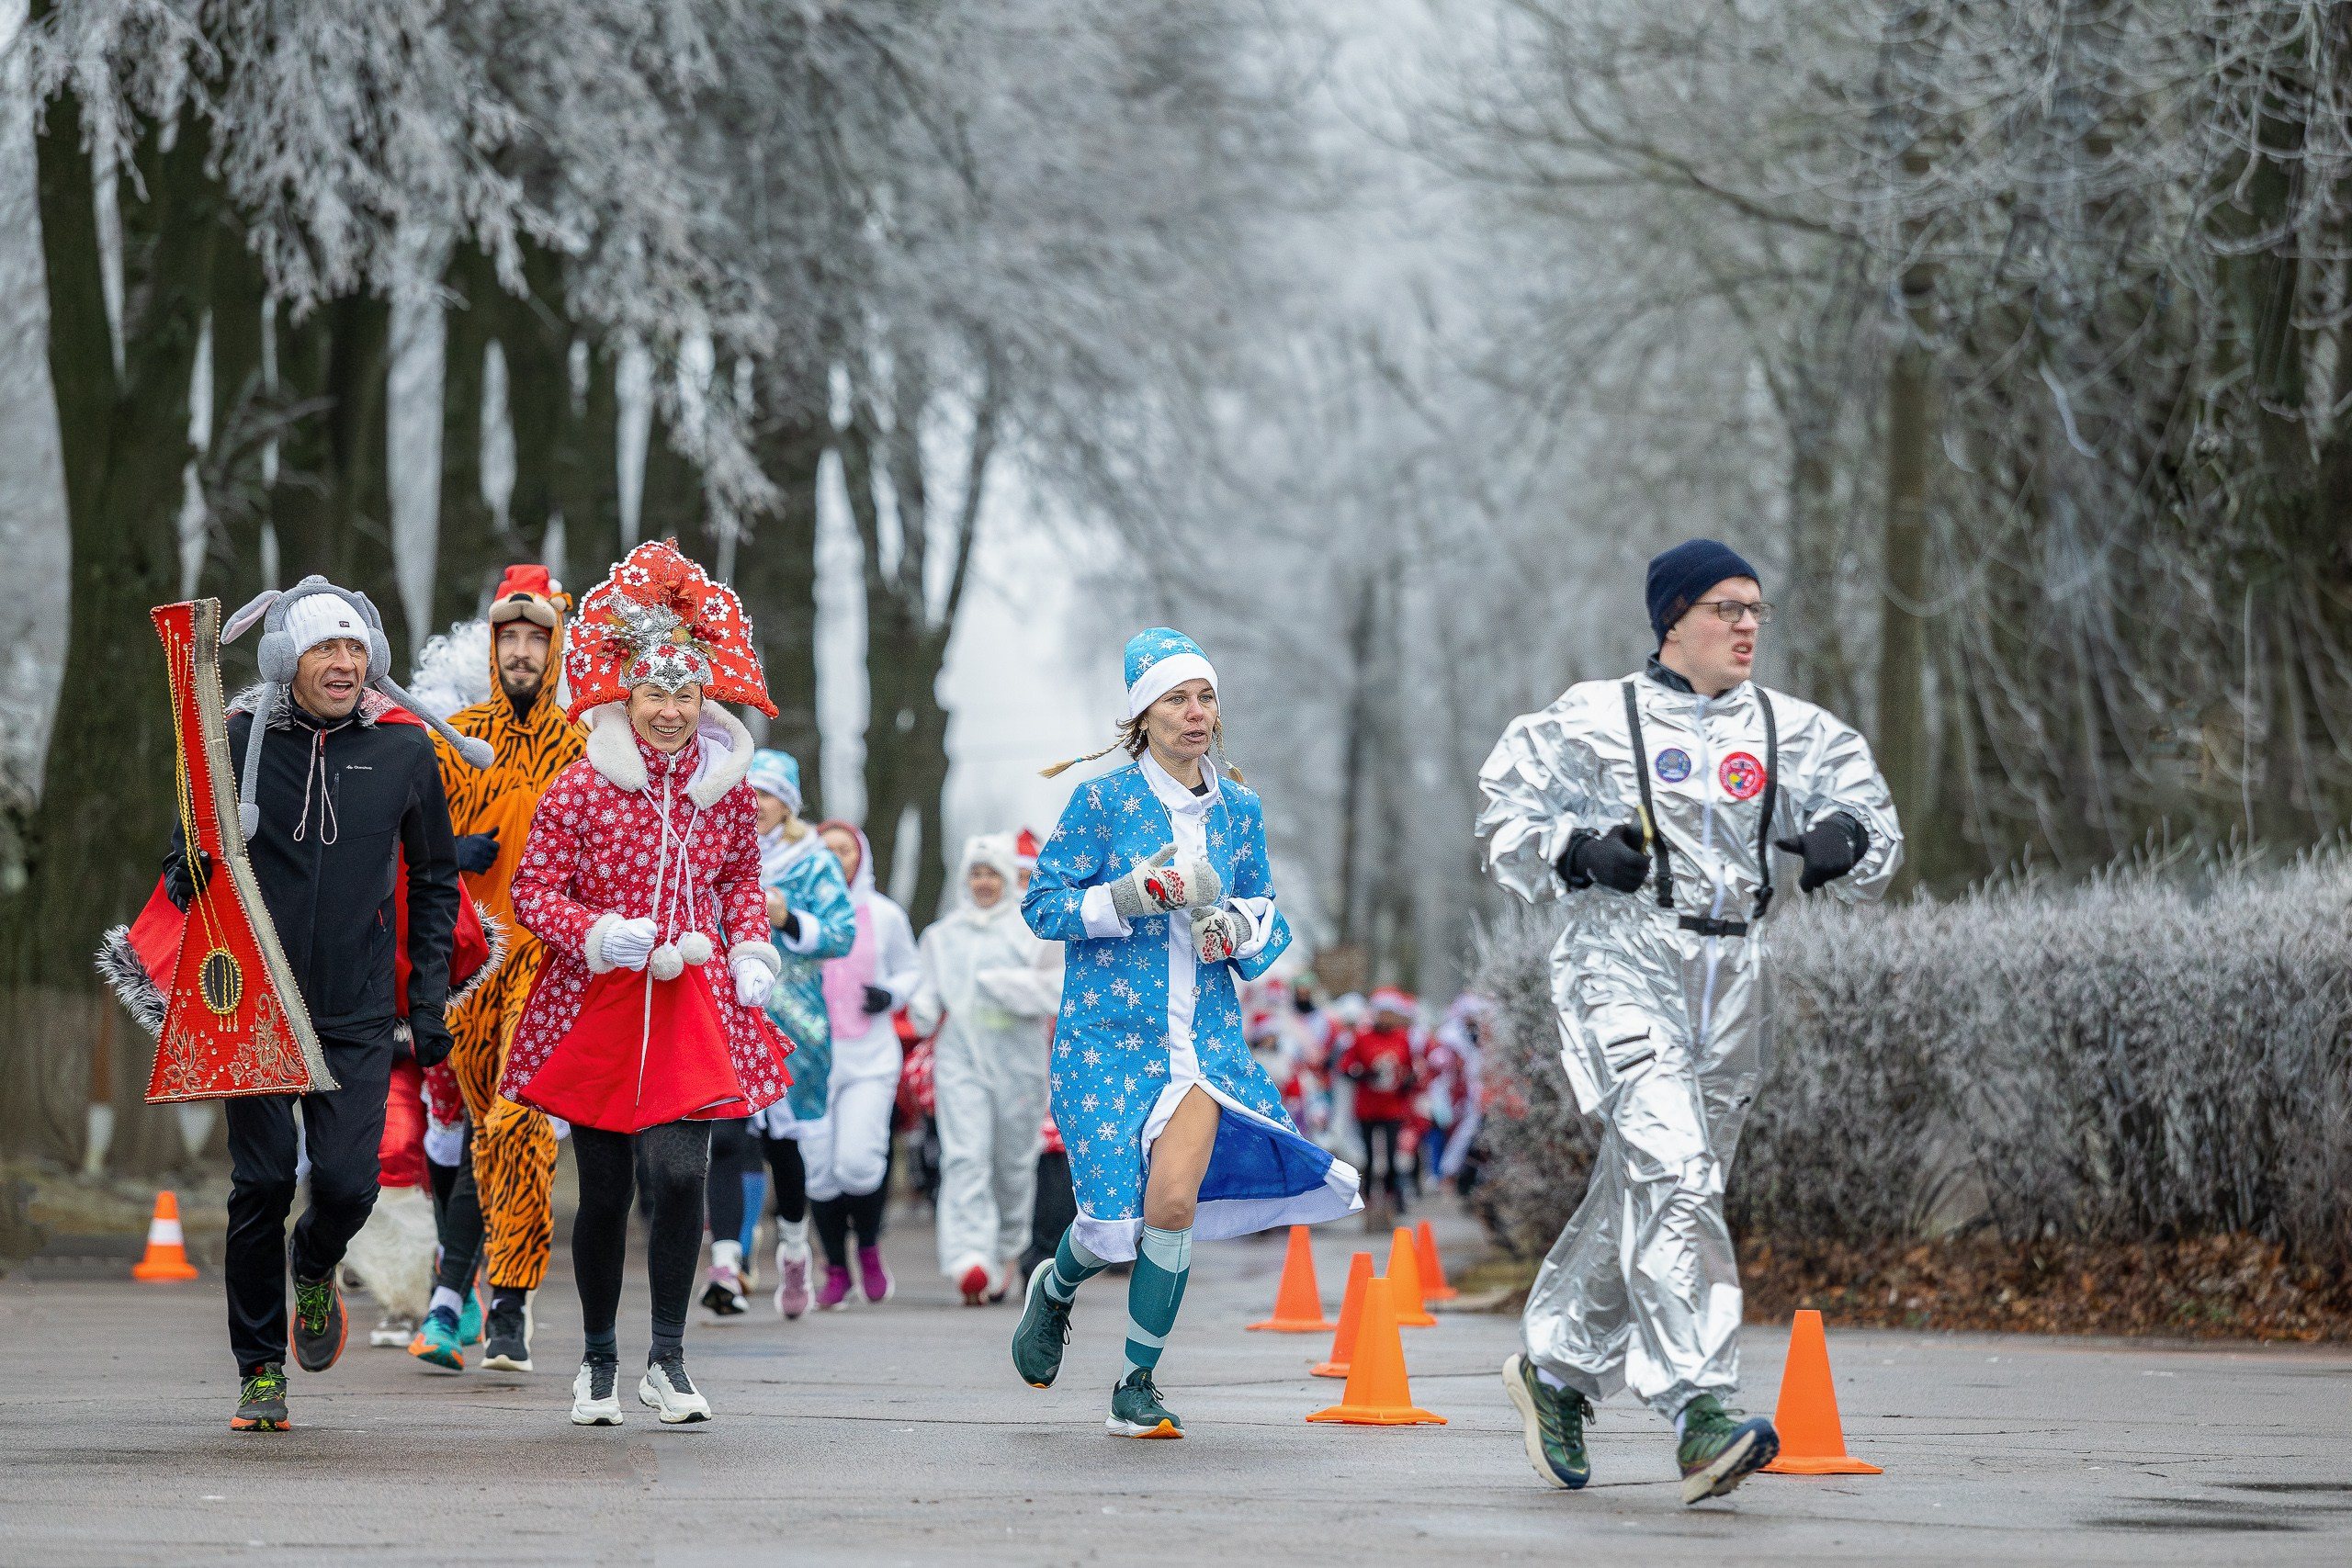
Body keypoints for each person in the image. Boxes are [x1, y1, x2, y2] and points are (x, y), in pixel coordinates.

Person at [1476, 538, 1902, 1504]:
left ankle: (1553, 1369)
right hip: (1620, 960)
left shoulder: (1795, 730)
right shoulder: (1589, 719)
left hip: (1734, 975)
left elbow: (1872, 823)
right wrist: (1576, 850)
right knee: (1673, 1171)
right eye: (1725, 608)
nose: (1747, 625)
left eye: (1755, 609)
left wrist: (1845, 844)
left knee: (1656, 1186)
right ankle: (1699, 1407)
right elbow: (1504, 820)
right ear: (1672, 619)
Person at [1012, 628, 1360, 1438]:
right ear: (1144, 713)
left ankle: (1136, 1382)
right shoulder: (1100, 801)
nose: (1195, 713)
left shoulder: (1240, 809)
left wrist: (1230, 929)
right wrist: (1129, 895)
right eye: (1177, 698)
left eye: (1204, 696)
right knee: (1107, 1225)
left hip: (1201, 1048)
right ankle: (1056, 1287)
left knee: (1170, 1204)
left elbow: (1269, 918)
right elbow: (1043, 906)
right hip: (1106, 1040)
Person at [162, 577, 474, 1432]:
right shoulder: (235, 740)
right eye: (323, 648)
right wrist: (180, 874)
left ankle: (315, 1261)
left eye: (354, 648)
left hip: (358, 1008)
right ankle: (259, 1368)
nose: (344, 662)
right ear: (284, 660)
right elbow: (193, 850)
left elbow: (437, 878)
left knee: (346, 1182)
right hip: (256, 1002)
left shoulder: (407, 752)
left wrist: (430, 996)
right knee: (259, 1182)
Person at [501, 539, 792, 1427]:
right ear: (626, 696)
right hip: (601, 999)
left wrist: (749, 949)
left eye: (686, 693)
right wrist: (595, 930)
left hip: (692, 1000)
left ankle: (668, 1357)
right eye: (656, 693)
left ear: (707, 699)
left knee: (679, 1171)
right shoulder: (581, 787)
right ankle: (596, 1361)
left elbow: (743, 877)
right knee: (607, 1186)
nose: (670, 710)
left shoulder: (727, 790)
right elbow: (530, 892)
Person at [408, 565, 584, 1374]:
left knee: (518, 1119)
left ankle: (505, 1300)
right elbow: (408, 846)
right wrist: (450, 854)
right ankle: (461, 1297)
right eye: (508, 638)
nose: (520, 651)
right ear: (491, 647)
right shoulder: (457, 739)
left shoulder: (584, 745)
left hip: (547, 963)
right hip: (472, 958)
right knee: (486, 1131)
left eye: (534, 638)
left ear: (554, 650)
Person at [700, 750, 854, 1318]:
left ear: (787, 804)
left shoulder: (814, 861)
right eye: (752, 792)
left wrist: (789, 919)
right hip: (728, 1011)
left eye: (769, 795)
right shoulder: (717, 848)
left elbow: (841, 934)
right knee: (729, 1134)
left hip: (794, 1024)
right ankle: (725, 1264)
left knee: (781, 1148)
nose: (758, 805)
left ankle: (793, 1248)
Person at [910, 832, 1057, 1304]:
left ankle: (1006, 1250)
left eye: (992, 872)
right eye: (976, 872)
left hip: (1019, 1062)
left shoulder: (1031, 931)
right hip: (960, 1058)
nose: (984, 882)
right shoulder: (942, 936)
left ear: (1008, 879)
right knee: (965, 1156)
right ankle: (969, 1257)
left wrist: (1011, 987)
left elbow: (1058, 990)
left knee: (1012, 1163)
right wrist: (922, 1007)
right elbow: (927, 990)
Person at [802, 818, 921, 1308]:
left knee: (857, 1163)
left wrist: (890, 994)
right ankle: (834, 1267)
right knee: (819, 1171)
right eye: (825, 852)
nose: (836, 860)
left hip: (869, 1057)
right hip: (808, 1060)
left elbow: (911, 970)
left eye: (845, 851)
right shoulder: (796, 912)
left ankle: (869, 1249)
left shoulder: (884, 914)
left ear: (861, 856)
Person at [1338, 987, 1419, 1221]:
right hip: (1367, 1107)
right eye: (1381, 1013)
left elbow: (1411, 1069)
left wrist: (1407, 1082)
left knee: (1393, 1155)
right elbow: (1345, 1066)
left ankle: (1394, 1199)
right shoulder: (1362, 1038)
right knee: (1370, 1156)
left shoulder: (1402, 1038)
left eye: (1389, 1013)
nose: (1385, 1018)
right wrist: (1363, 1074)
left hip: (1393, 1107)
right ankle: (1369, 1200)